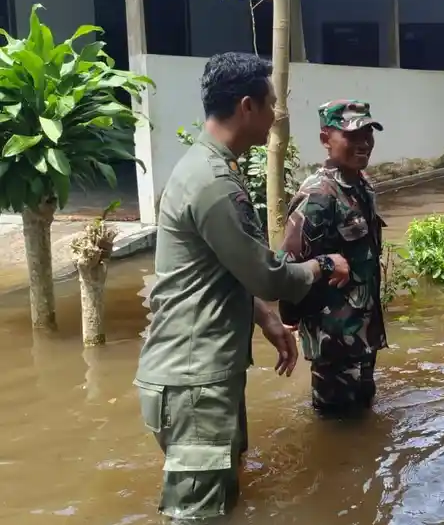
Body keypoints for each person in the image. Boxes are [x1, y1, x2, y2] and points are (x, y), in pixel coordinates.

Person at [134, 52, 351, 521]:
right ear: (247, 107)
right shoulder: (214, 183)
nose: (276, 115)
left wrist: (265, 317)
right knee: (198, 515)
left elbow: (219, 271)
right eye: (271, 104)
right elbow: (268, 276)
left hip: (200, 377)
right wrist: (322, 265)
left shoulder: (208, 168)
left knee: (224, 502)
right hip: (194, 383)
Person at [280, 100, 388, 417]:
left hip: (363, 333)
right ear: (325, 139)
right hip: (334, 341)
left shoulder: (362, 185)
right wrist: (290, 321)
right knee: (336, 424)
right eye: (352, 136)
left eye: (368, 134)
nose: (364, 143)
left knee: (363, 417)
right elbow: (287, 267)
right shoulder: (318, 195)